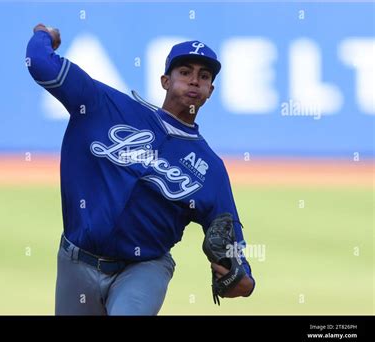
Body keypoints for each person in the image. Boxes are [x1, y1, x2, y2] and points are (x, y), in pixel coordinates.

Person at [26, 23, 256, 315]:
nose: (194, 81)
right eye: (185, 72)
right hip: (76, 261)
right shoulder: (103, 105)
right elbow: (40, 63)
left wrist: (242, 279)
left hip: (144, 269)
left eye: (204, 76)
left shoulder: (210, 168)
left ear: (211, 89)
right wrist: (45, 35)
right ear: (165, 80)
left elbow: (232, 241)